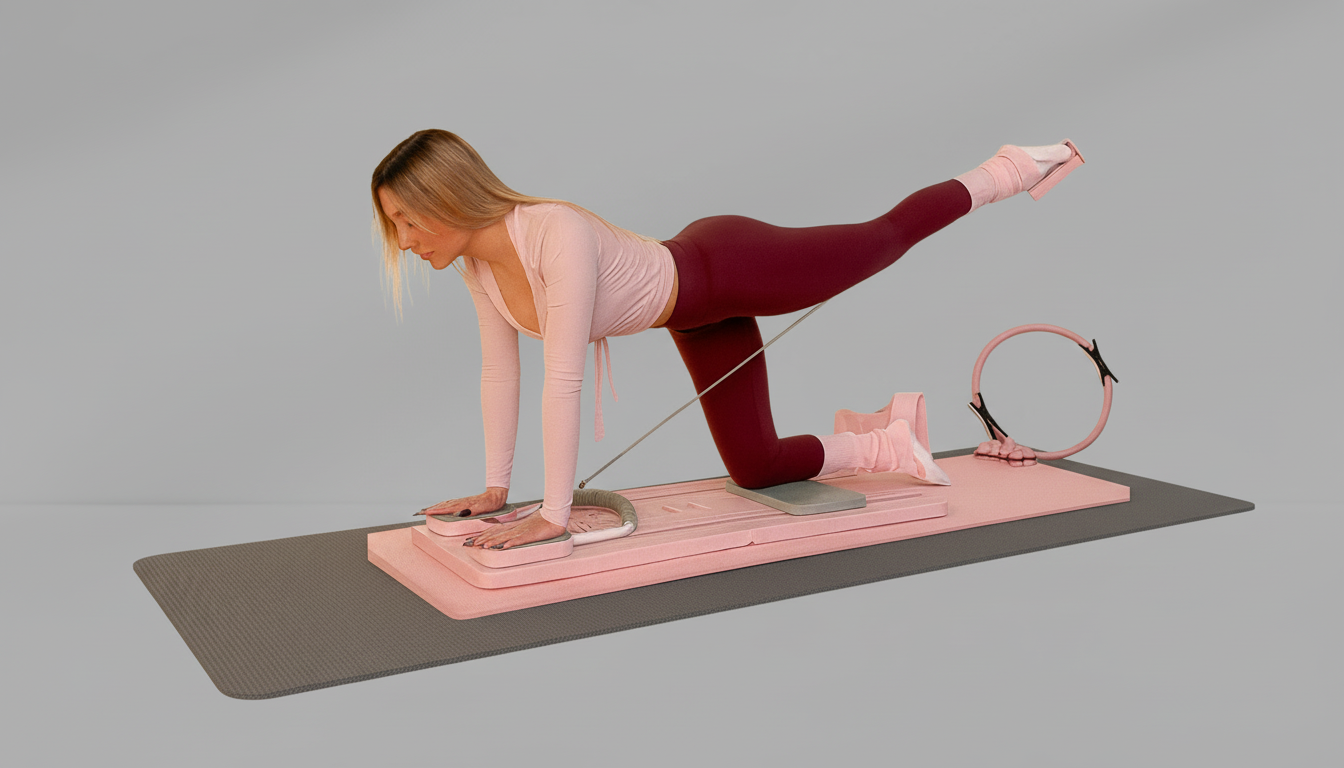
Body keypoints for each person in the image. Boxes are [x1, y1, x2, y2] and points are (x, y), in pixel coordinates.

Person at [372, 130, 1082, 550]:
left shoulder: (553, 231)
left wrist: (553, 517)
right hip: (695, 315)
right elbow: (500, 375)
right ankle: (888, 444)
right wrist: (495, 491)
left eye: (407, 220)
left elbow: (563, 380)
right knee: (756, 467)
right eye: (393, 226)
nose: (404, 242)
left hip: (729, 264)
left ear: (448, 197)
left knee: (881, 239)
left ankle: (1011, 168)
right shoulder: (479, 269)